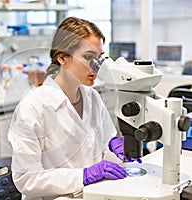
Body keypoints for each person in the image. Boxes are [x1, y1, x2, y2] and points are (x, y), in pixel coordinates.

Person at [8, 16, 141, 199]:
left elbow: (101, 148)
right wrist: (84, 175)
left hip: (92, 192)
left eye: (99, 58)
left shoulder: (92, 97)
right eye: (88, 57)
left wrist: (115, 148)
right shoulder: (33, 107)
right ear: (62, 57)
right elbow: (26, 179)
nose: (96, 66)